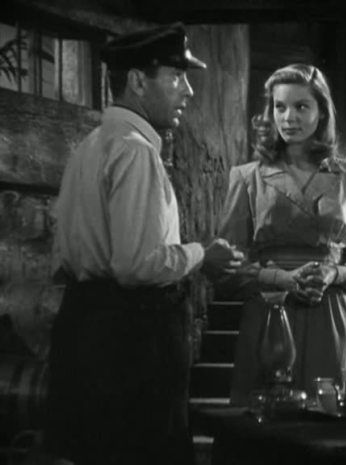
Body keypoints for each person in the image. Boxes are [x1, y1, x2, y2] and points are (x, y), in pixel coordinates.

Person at [44, 23, 243, 465]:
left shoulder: (90, 145)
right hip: (129, 340)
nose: (188, 91)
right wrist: (202, 254)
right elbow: (137, 265)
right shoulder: (134, 150)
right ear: (137, 80)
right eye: (176, 76)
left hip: (83, 327)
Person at [218, 63, 346, 405]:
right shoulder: (248, 177)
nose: (288, 117)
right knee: (264, 420)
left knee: (328, 416)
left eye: (301, 106)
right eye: (280, 107)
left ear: (322, 112)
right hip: (269, 315)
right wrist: (280, 278)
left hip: (330, 315)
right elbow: (226, 266)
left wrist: (334, 273)